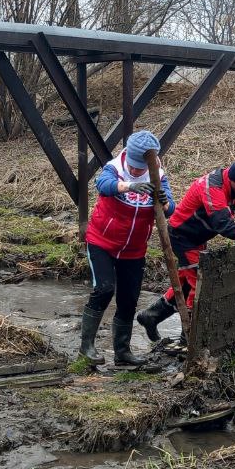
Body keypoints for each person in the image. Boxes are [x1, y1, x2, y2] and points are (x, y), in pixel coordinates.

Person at [136, 158, 235, 340]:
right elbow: (227, 228)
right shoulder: (212, 189)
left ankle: (151, 316)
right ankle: (188, 337)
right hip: (183, 237)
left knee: (186, 283)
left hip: (198, 236)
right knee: (199, 284)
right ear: (231, 180)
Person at [80, 130, 175, 365]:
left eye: (139, 168)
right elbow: (102, 185)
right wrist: (129, 186)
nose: (134, 170)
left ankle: (122, 352)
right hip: (102, 241)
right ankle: (86, 348)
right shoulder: (115, 167)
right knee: (104, 289)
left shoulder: (158, 175)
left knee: (129, 299)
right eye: (132, 166)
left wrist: (164, 202)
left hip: (134, 250)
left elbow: (171, 208)